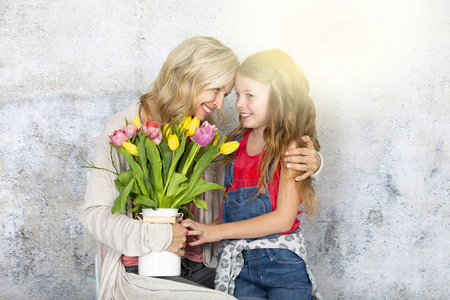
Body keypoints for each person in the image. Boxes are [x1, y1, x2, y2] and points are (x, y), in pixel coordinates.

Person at [81, 37, 322, 299]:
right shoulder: (124, 128)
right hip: (143, 271)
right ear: (187, 76)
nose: (221, 104)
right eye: (217, 90)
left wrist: (315, 162)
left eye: (227, 94)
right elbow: (94, 215)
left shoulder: (207, 136)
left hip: (208, 268)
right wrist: (158, 236)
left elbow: (262, 161)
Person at [181, 49, 323, 299]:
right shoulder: (235, 144)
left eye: (250, 95)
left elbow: (283, 220)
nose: (238, 104)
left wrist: (216, 232)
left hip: (282, 264)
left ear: (279, 99)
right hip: (239, 266)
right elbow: (232, 214)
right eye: (237, 94)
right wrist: (204, 230)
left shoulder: (290, 148)